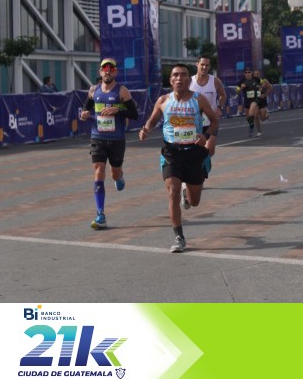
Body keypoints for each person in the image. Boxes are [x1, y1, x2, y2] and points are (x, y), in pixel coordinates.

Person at [138, 63, 218, 253]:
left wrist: (205, 136)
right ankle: (178, 237)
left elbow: (214, 120)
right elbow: (152, 121)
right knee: (172, 191)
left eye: (183, 75)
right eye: (175, 75)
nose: (179, 78)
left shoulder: (199, 99)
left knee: (195, 201)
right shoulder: (163, 100)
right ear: (170, 80)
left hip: (194, 153)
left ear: (189, 80)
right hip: (171, 153)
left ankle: (187, 194)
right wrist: (146, 130)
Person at [79, 58, 139, 229]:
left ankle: (119, 176)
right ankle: (100, 214)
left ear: (115, 72)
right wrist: (83, 115)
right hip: (97, 137)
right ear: (100, 72)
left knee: (114, 173)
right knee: (98, 171)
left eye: (111, 69)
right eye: (104, 68)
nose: (107, 71)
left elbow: (135, 114)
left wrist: (118, 109)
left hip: (116, 139)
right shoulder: (93, 91)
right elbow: (85, 109)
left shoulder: (122, 91)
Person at [189, 54, 227, 188]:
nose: (204, 67)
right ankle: (197, 176)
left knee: (209, 150)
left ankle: (200, 172)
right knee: (193, 151)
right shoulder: (189, 81)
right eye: (202, 65)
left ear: (209, 67)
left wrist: (219, 107)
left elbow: (223, 95)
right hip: (194, 122)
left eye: (207, 65)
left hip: (211, 121)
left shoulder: (215, 81)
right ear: (197, 65)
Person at [238, 67, 262, 137]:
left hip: (255, 99)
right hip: (247, 100)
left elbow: (262, 84)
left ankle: (253, 128)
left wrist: (261, 88)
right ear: (244, 74)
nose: (247, 74)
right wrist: (241, 88)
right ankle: (252, 125)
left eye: (249, 72)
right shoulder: (241, 81)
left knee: (252, 113)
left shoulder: (256, 79)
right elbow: (237, 92)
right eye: (246, 73)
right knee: (247, 117)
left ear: (251, 73)